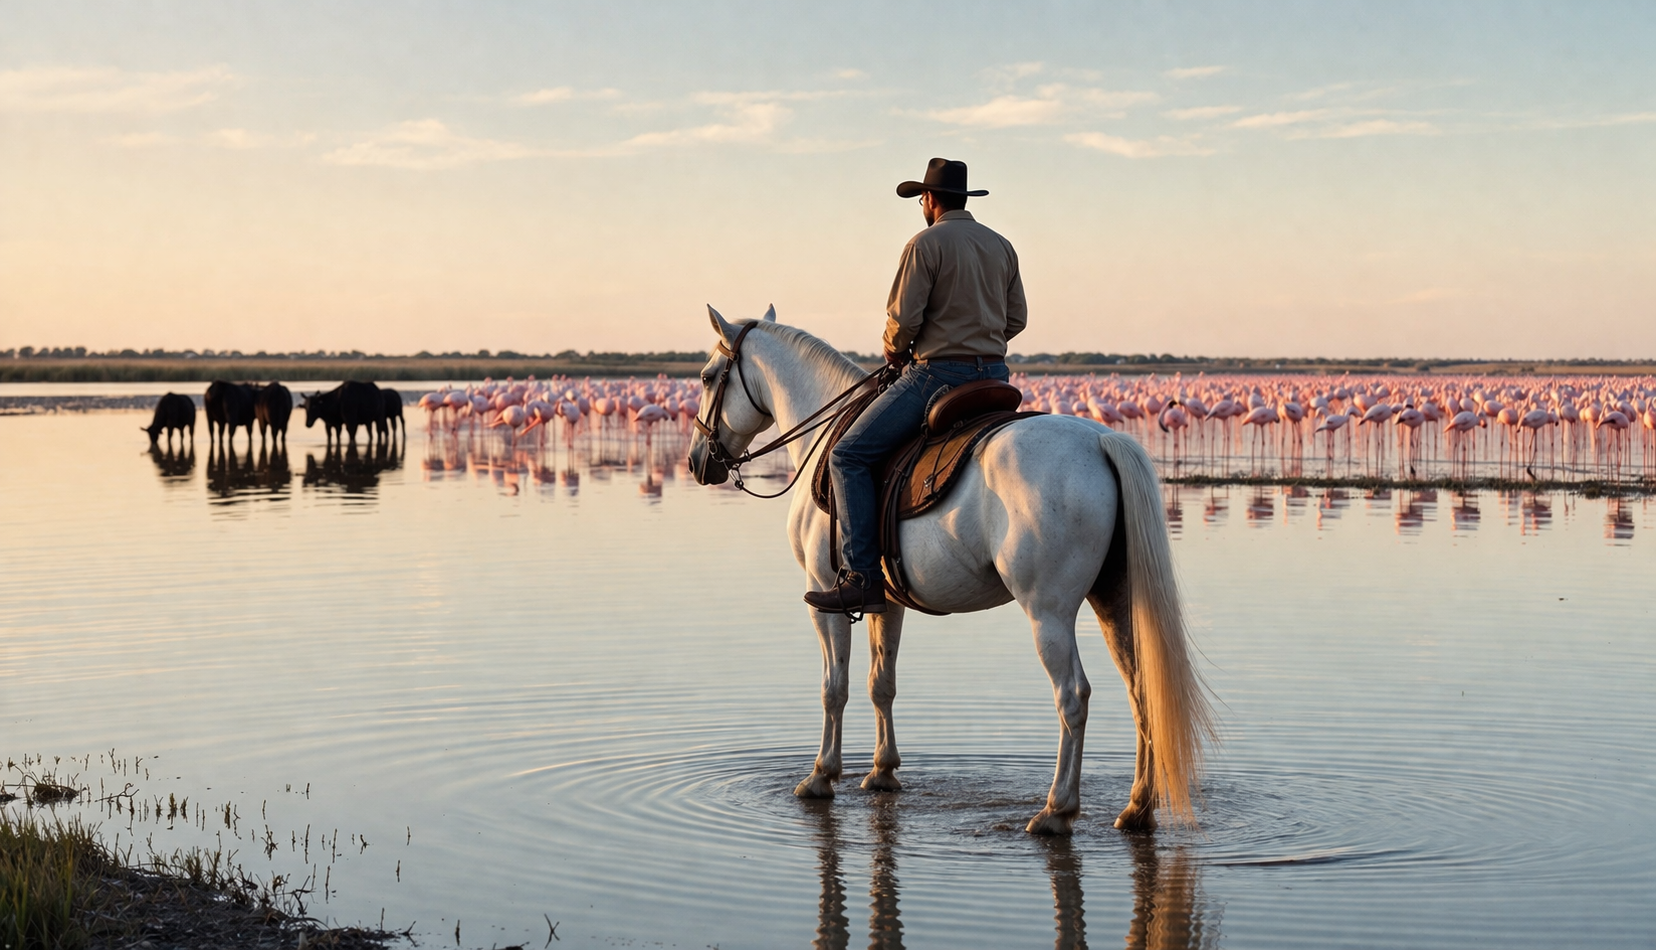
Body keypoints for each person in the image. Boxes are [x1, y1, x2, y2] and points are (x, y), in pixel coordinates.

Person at [804, 157, 1027, 616]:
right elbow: (1016, 319)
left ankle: (862, 575)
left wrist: (895, 350)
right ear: (963, 199)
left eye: (920, 199)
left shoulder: (924, 243)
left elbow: (902, 322)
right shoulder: (1002, 246)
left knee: (848, 455)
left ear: (929, 199)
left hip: (937, 377)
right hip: (996, 377)